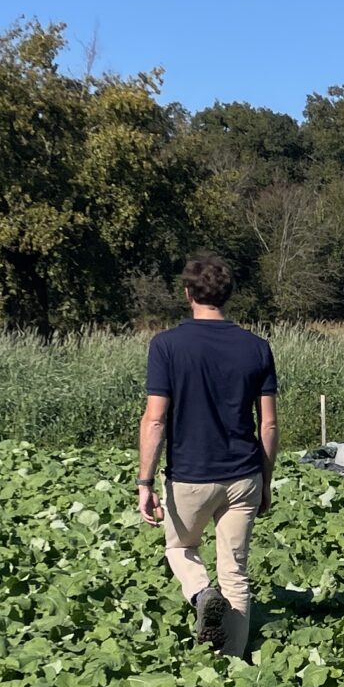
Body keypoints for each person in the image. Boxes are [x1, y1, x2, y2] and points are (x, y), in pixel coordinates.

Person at [137, 254, 278, 657]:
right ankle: (231, 663)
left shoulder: (166, 345)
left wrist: (145, 483)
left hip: (191, 476)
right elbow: (267, 425)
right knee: (235, 571)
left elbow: (155, 419)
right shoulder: (256, 348)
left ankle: (201, 594)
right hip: (244, 475)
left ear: (187, 293)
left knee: (180, 548)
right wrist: (265, 481)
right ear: (228, 295)